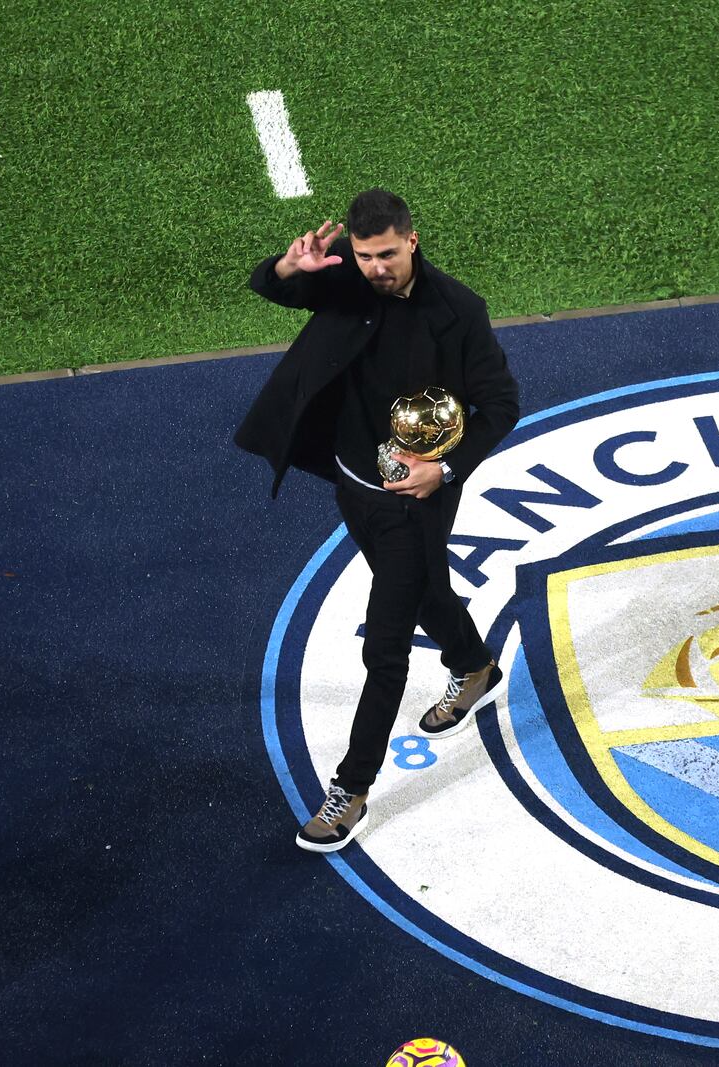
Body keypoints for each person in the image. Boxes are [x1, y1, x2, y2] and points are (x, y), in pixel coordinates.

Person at [236, 188, 520, 853]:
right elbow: (269, 288)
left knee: (384, 644)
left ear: (412, 241)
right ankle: (474, 665)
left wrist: (442, 472)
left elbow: (501, 403)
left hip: (414, 501)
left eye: (387, 254)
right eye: (364, 255)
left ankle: (350, 790)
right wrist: (287, 269)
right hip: (352, 481)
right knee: (424, 589)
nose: (375, 268)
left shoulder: (457, 312)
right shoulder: (342, 271)